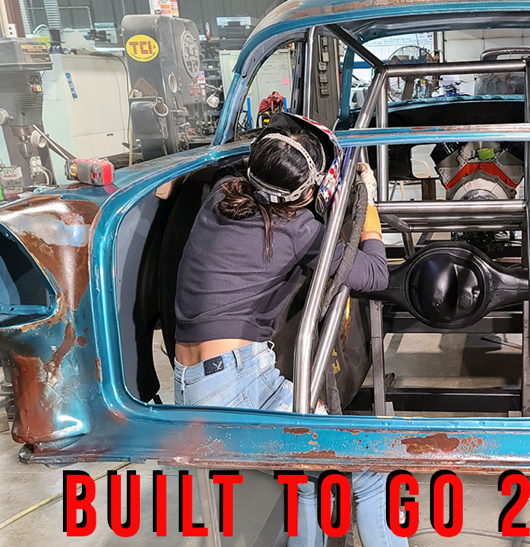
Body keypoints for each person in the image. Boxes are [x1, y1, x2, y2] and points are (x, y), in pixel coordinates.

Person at [172, 113, 404, 547]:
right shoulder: (301, 229)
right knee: (372, 474)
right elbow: (375, 274)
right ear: (305, 191)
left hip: (191, 385)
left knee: (305, 477)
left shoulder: (221, 193)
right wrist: (366, 205)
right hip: (238, 384)